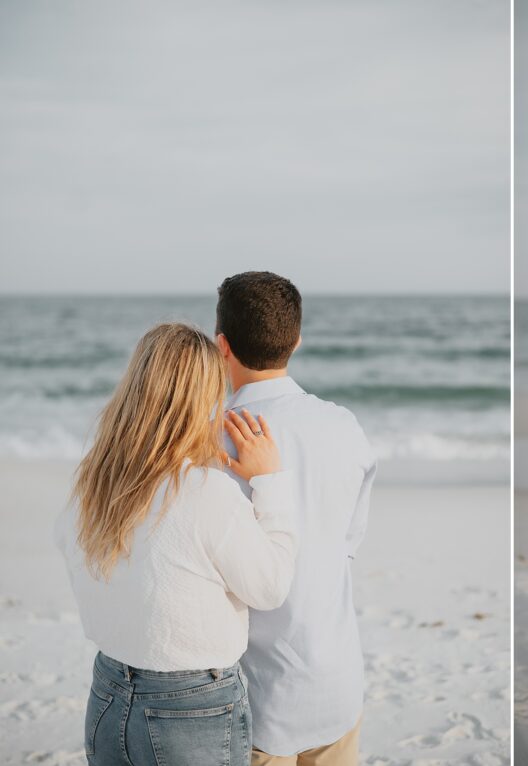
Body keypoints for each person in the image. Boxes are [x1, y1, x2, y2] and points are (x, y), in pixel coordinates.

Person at [54, 322, 297, 766]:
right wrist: (271, 482)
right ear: (202, 399)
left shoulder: (94, 481)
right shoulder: (205, 492)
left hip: (108, 691)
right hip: (191, 705)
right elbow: (271, 587)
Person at [215, 272, 376, 766]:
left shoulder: (211, 441)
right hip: (338, 681)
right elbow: (348, 541)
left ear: (222, 346)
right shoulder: (344, 426)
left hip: (259, 698)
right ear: (297, 339)